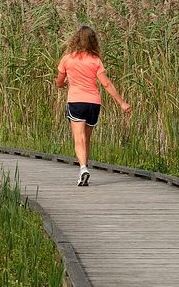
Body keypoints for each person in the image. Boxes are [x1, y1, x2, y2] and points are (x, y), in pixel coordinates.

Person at [56, 26, 131, 186]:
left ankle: (83, 168)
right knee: (87, 139)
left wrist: (63, 84)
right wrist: (122, 103)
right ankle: (84, 169)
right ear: (93, 41)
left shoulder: (67, 59)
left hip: (76, 101)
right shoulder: (96, 61)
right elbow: (107, 84)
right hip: (93, 103)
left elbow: (59, 82)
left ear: (75, 39)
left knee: (79, 138)